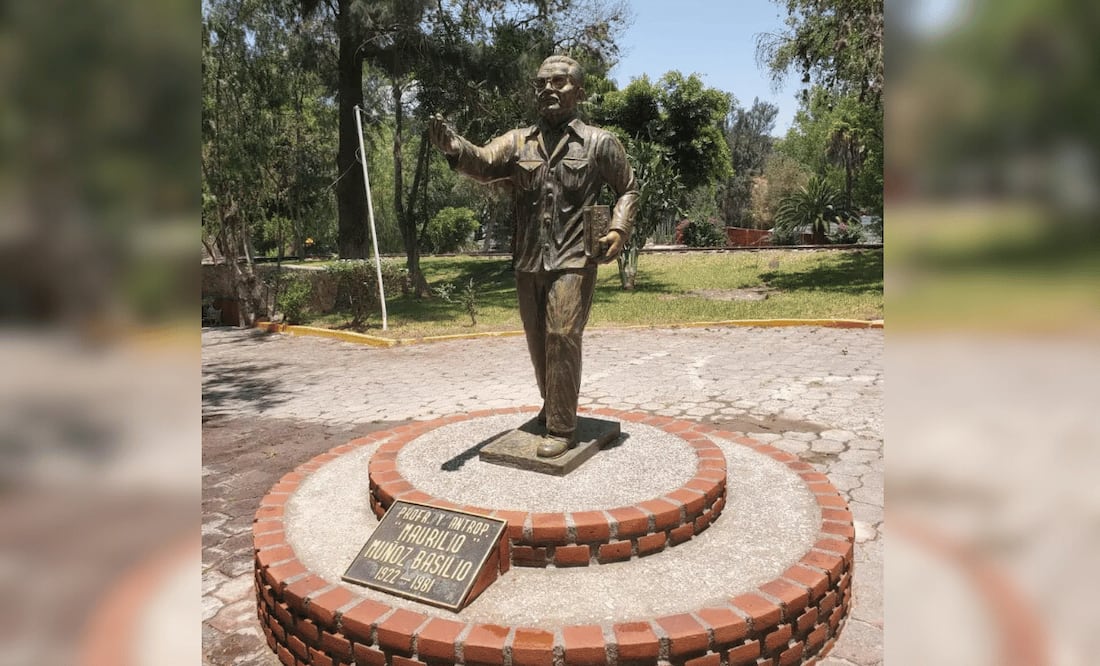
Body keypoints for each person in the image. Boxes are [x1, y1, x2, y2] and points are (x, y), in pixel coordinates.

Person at [429, 54, 639, 458]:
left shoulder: (599, 142)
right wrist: (455, 147)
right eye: (542, 83)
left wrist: (618, 228)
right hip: (529, 259)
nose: (549, 90)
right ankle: (552, 405)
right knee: (538, 341)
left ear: (579, 91)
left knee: (562, 335)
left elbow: (628, 188)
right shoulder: (517, 141)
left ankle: (562, 427)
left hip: (575, 258)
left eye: (559, 82)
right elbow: (485, 162)